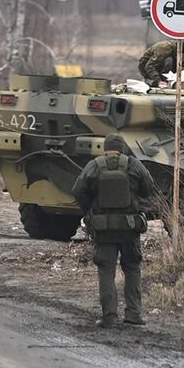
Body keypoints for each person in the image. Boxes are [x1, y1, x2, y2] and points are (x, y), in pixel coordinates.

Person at [71, 133, 155, 328]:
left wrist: (90, 210)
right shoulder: (133, 164)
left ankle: (109, 317)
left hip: (104, 230)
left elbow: (78, 190)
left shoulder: (94, 165)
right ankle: (133, 314)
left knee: (106, 271)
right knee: (132, 268)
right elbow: (149, 187)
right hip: (129, 228)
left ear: (105, 148)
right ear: (122, 148)